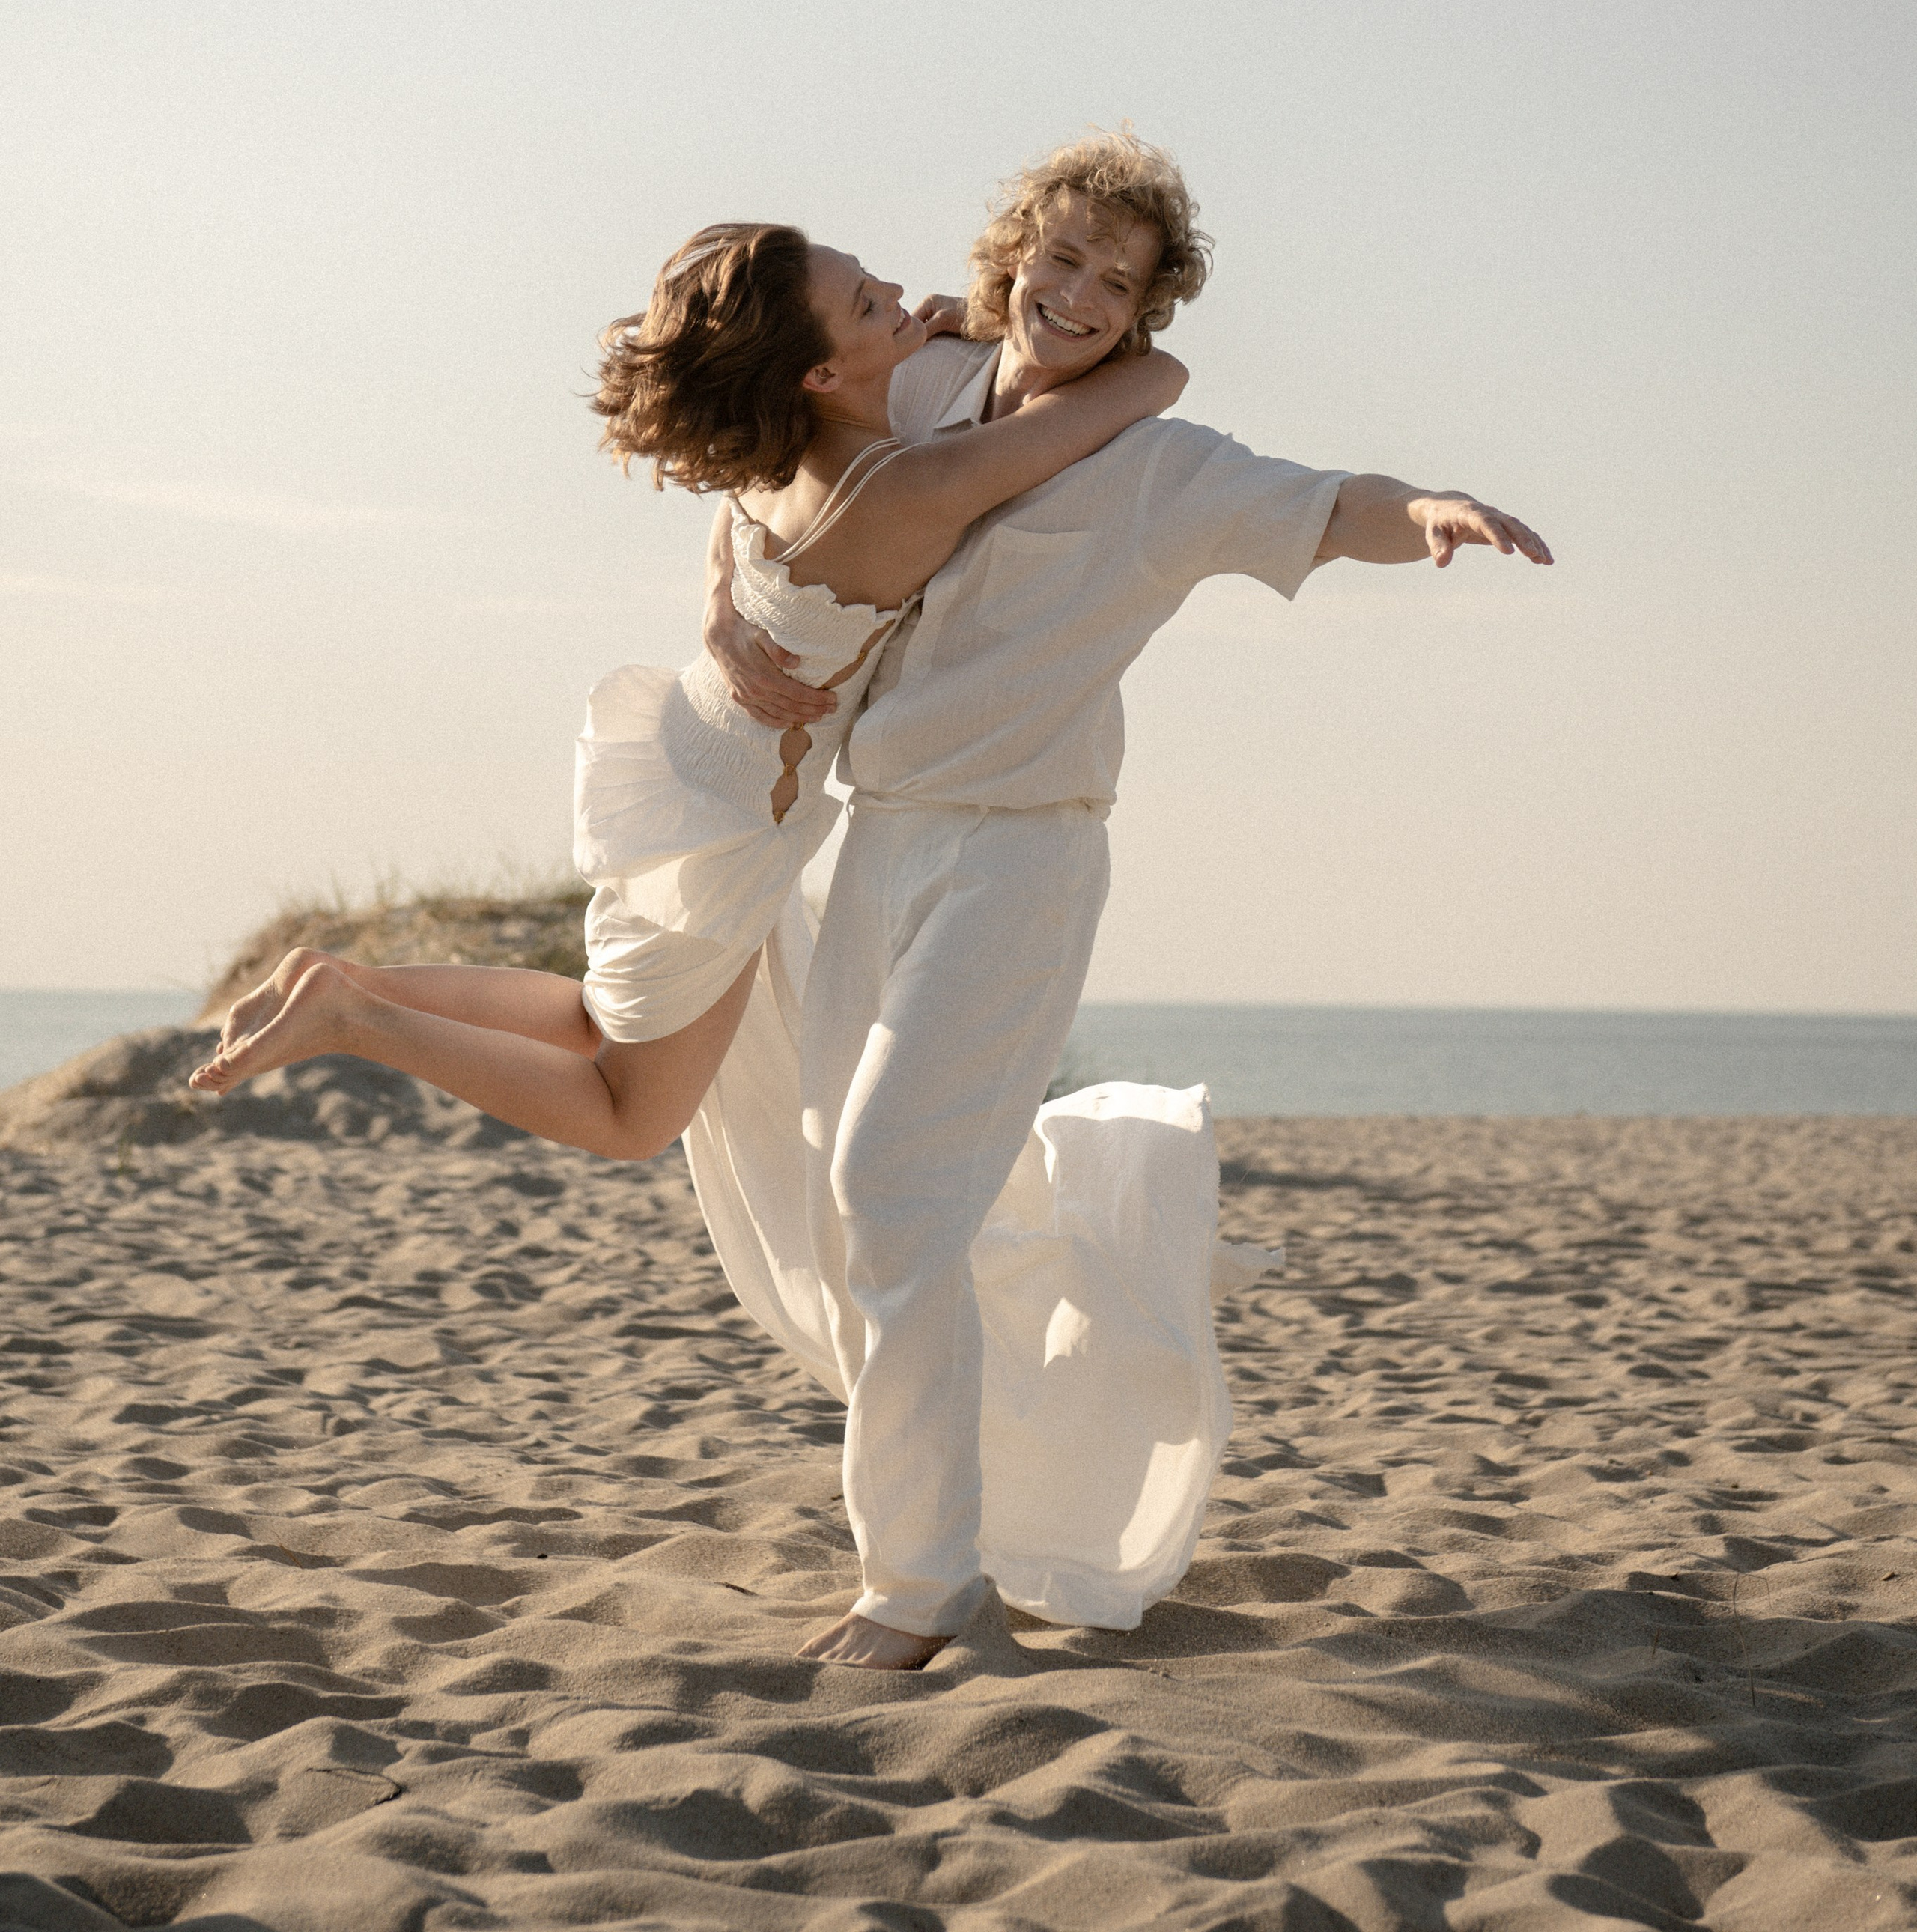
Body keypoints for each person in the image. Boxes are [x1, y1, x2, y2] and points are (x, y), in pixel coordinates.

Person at [702, 128, 1553, 1668]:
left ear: (1150, 308)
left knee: (892, 1190)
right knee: (859, 1217)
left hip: (1019, 856)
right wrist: (719, 598)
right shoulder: (923, 387)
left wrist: (1416, 503)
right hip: (875, 838)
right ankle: (969, 1493)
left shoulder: (1158, 466)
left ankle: (920, 1588)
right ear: (1012, 254)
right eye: (1063, 256)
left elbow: (1320, 499)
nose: (1080, 292)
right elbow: (770, 447)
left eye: (1119, 276)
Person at [188, 219, 1184, 1170]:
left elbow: (736, 512)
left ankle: (348, 981)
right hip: (731, 822)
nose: (897, 294)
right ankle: (359, 1021)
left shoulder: (793, 437)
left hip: (697, 756)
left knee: (598, 1016)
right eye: (864, 301)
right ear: (820, 372)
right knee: (628, 1115)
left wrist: (721, 604)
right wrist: (1017, 320)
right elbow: (1143, 387)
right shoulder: (903, 488)